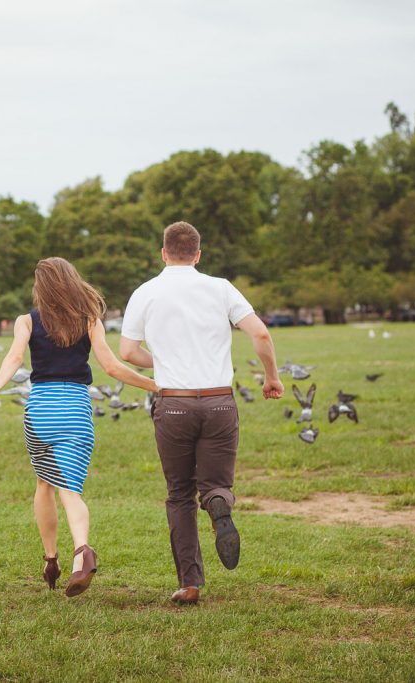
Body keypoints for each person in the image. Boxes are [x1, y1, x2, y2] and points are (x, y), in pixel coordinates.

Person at [0, 257, 158, 597]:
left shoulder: (26, 321)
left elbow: (14, 359)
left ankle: (50, 559)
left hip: (40, 412)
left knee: (44, 484)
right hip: (75, 410)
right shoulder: (90, 319)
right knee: (69, 488)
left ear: (40, 287)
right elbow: (112, 367)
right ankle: (82, 552)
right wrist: (157, 386)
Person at [119, 221, 284, 605]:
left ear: (163, 253)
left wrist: (163, 362)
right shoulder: (221, 287)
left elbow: (127, 352)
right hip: (219, 401)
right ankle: (217, 502)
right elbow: (260, 334)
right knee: (214, 485)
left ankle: (190, 584)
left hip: (174, 403)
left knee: (178, 494)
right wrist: (271, 377)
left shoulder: (145, 292)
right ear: (197, 255)